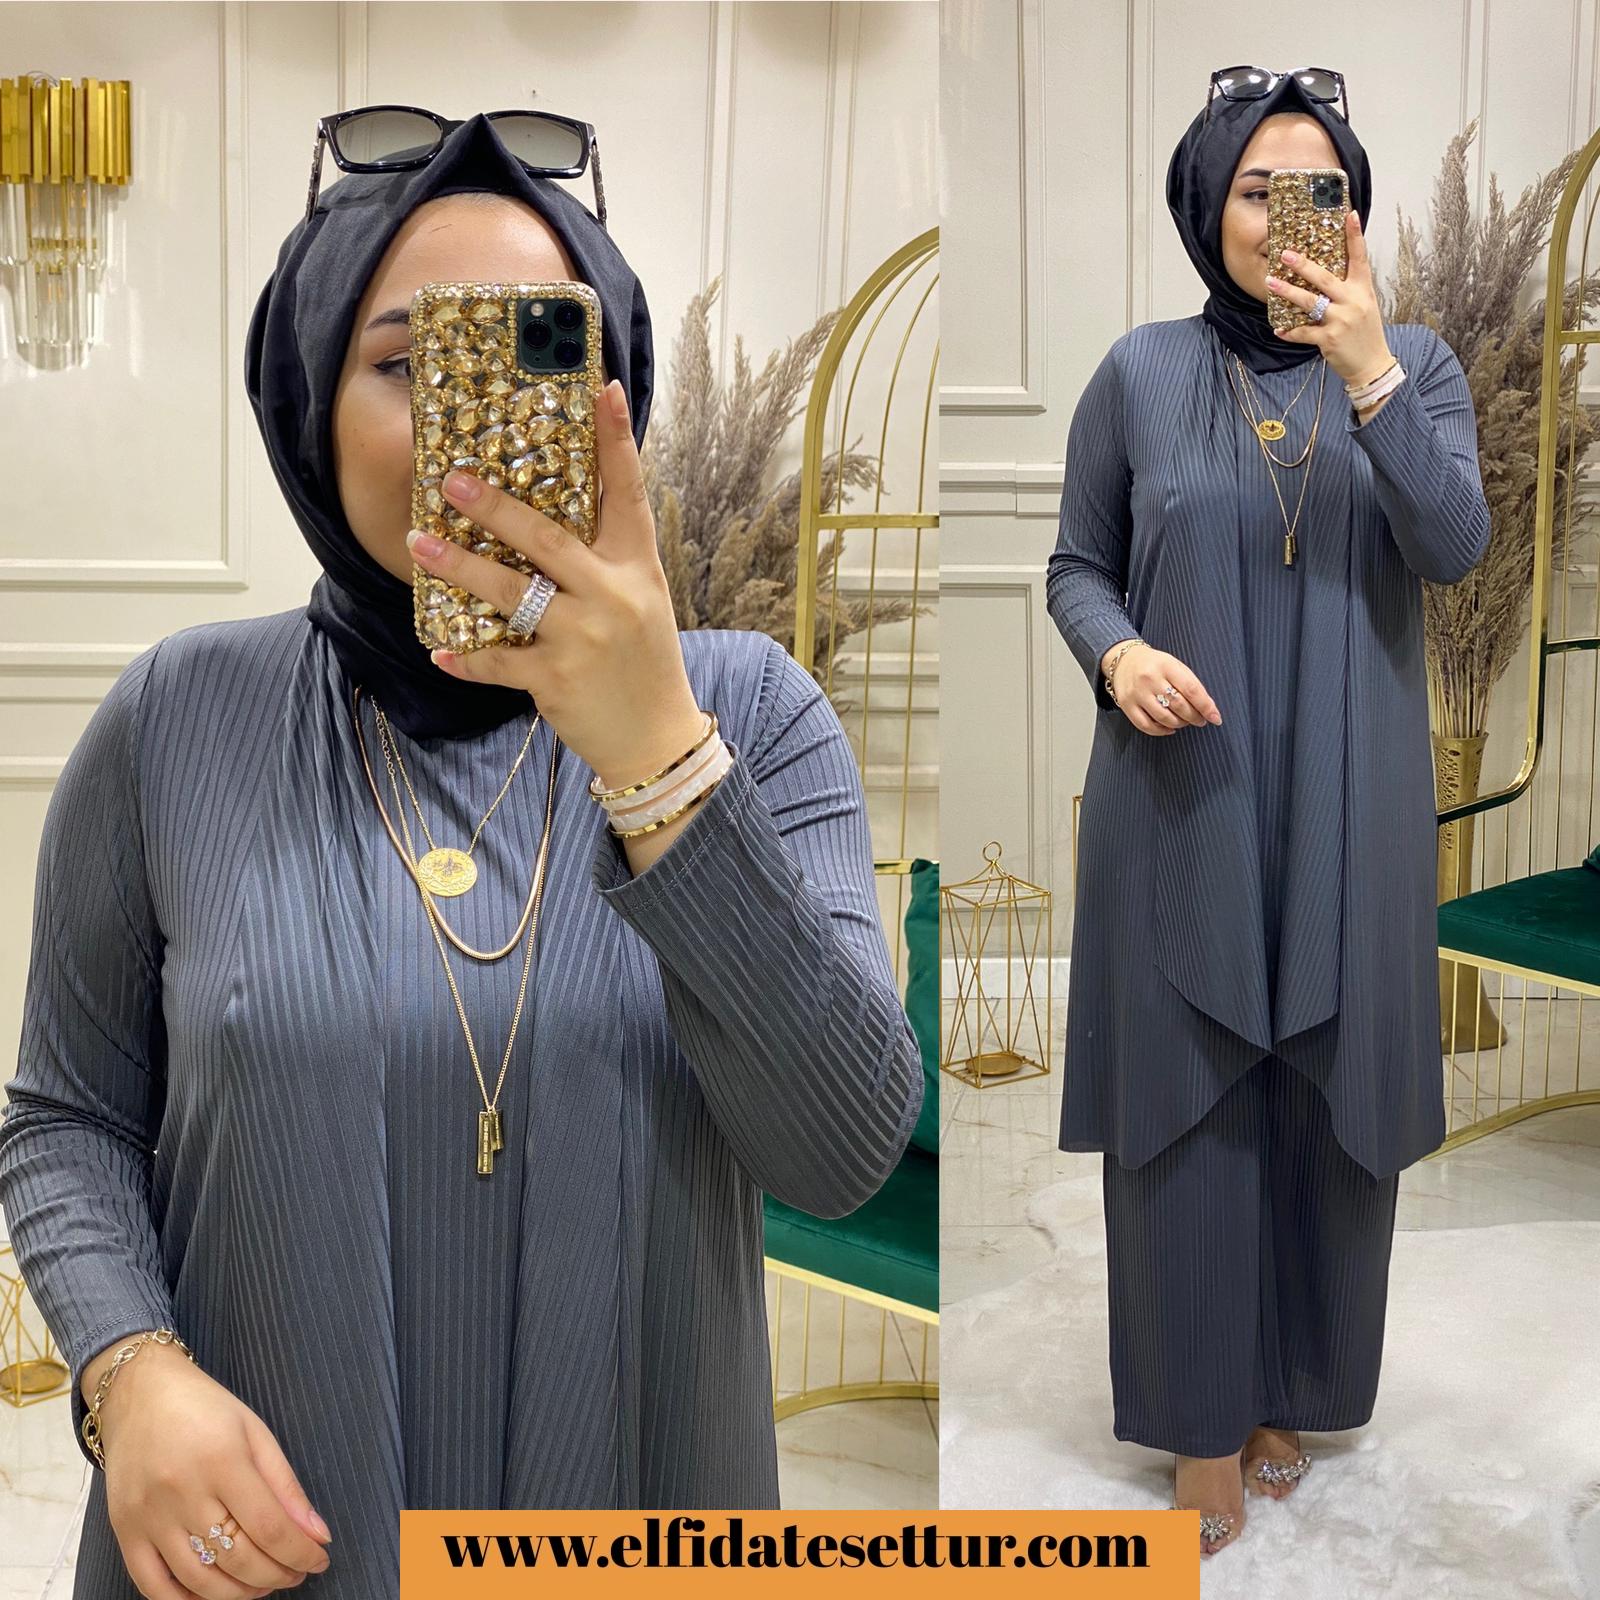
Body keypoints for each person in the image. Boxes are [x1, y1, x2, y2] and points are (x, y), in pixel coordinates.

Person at [0, 113, 923, 1599]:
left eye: (531, 358)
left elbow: (844, 1151)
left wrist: (658, 759)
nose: (468, 430)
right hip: (255, 1545)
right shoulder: (176, 716)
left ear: (611, 405)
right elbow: (65, 1116)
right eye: (404, 364)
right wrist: (127, 1369)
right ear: (309, 403)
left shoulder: (752, 713)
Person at [1045, 70, 1490, 1556]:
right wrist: (1118, 654)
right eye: (1259, 189)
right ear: (1205, 205)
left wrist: (1370, 371)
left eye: (1324, 192)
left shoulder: (1418, 364)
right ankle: (1198, 1419)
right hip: (1186, 788)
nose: (1293, 218)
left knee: (1323, 1097)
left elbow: (1453, 543)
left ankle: (1287, 1382)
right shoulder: (1138, 372)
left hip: (1353, 795)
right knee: (1191, 1100)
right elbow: (1076, 566)